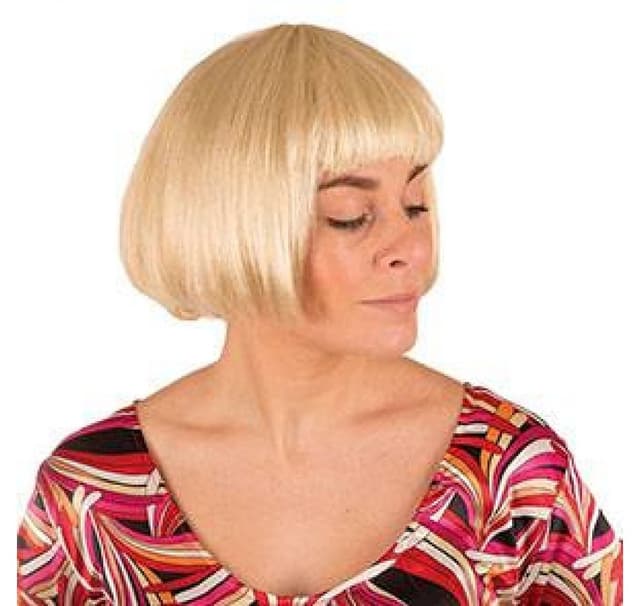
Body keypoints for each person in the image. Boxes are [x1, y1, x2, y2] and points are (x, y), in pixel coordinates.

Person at [17, 22, 622, 605]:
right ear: (234, 226)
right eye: (350, 216)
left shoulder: (513, 477)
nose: (409, 249)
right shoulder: (89, 496)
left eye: (415, 205)